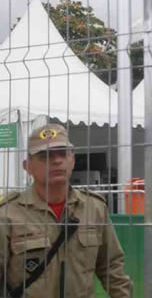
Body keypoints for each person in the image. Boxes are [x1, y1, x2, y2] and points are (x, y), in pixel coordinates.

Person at [0, 124, 132, 298]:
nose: (56, 161)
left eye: (62, 153)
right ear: (27, 166)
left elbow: (112, 269)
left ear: (73, 160)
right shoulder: (8, 213)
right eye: (45, 156)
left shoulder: (94, 208)